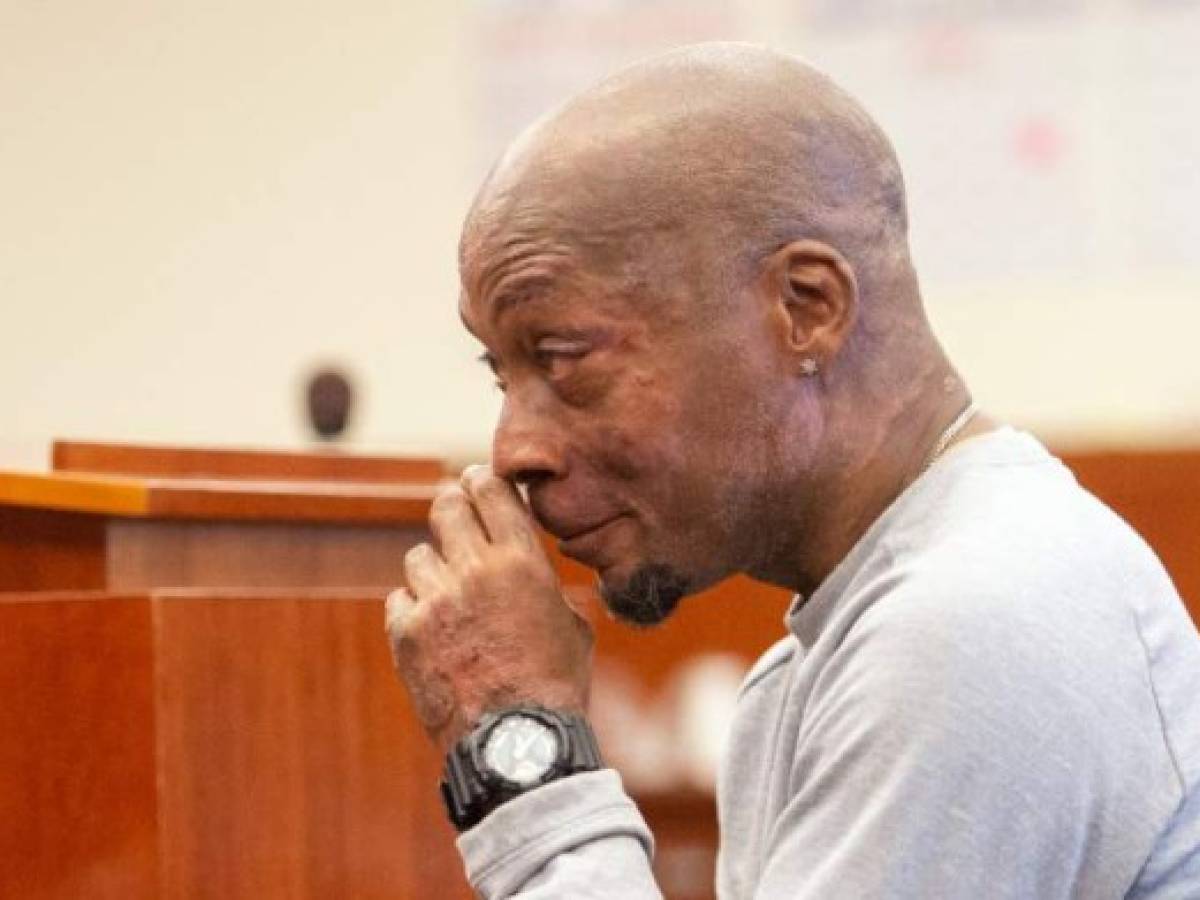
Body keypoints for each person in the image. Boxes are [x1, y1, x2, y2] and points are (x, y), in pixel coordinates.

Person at [385, 42, 1200, 898]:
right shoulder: (827, 655)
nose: (514, 447)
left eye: (562, 356)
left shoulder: (974, 614)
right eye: (501, 372)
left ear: (807, 308)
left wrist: (520, 745)